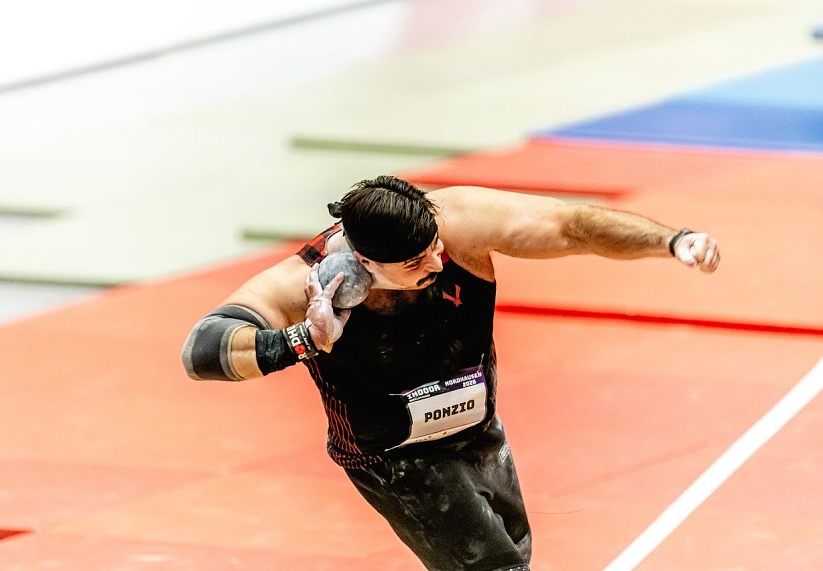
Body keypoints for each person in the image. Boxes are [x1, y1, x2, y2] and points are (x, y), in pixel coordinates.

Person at [181, 175, 720, 571]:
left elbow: (570, 225)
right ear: (363, 264)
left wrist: (671, 241)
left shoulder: (458, 224)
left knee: (514, 557)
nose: (437, 264)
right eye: (415, 264)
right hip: (394, 458)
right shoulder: (304, 284)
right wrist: (304, 339)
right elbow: (203, 352)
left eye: (434, 248)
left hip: (477, 430)